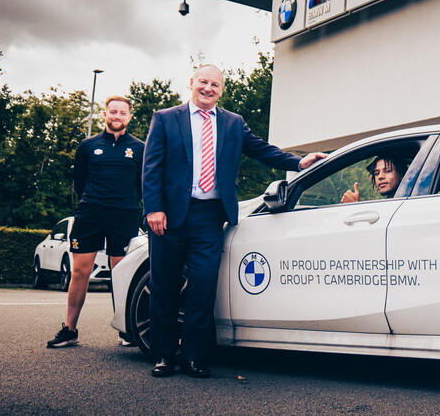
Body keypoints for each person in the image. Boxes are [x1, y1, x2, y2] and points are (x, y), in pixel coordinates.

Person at [143, 64, 325, 378]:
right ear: (192, 83)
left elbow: (262, 150)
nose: (208, 88)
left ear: (221, 90)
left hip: (210, 219)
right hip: (169, 218)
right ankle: (163, 355)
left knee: (202, 289)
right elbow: (151, 167)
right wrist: (154, 209)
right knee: (165, 287)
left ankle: (194, 358)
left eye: (215, 84)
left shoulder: (232, 123)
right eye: (203, 81)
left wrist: (297, 161)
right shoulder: (165, 118)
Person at [46, 96, 144, 348]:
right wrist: (92, 202)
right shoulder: (87, 146)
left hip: (124, 216)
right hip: (90, 214)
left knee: (121, 274)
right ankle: (70, 329)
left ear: (129, 117)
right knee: (80, 272)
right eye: (113, 111)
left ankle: (127, 331)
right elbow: (79, 181)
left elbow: (143, 185)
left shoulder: (140, 148)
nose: (117, 116)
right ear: (105, 114)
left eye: (123, 113)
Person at [341, 156, 407, 202]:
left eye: (387, 171)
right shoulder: (388, 203)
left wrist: (355, 206)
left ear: (402, 175)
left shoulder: (408, 202)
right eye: (376, 173)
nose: (380, 176)